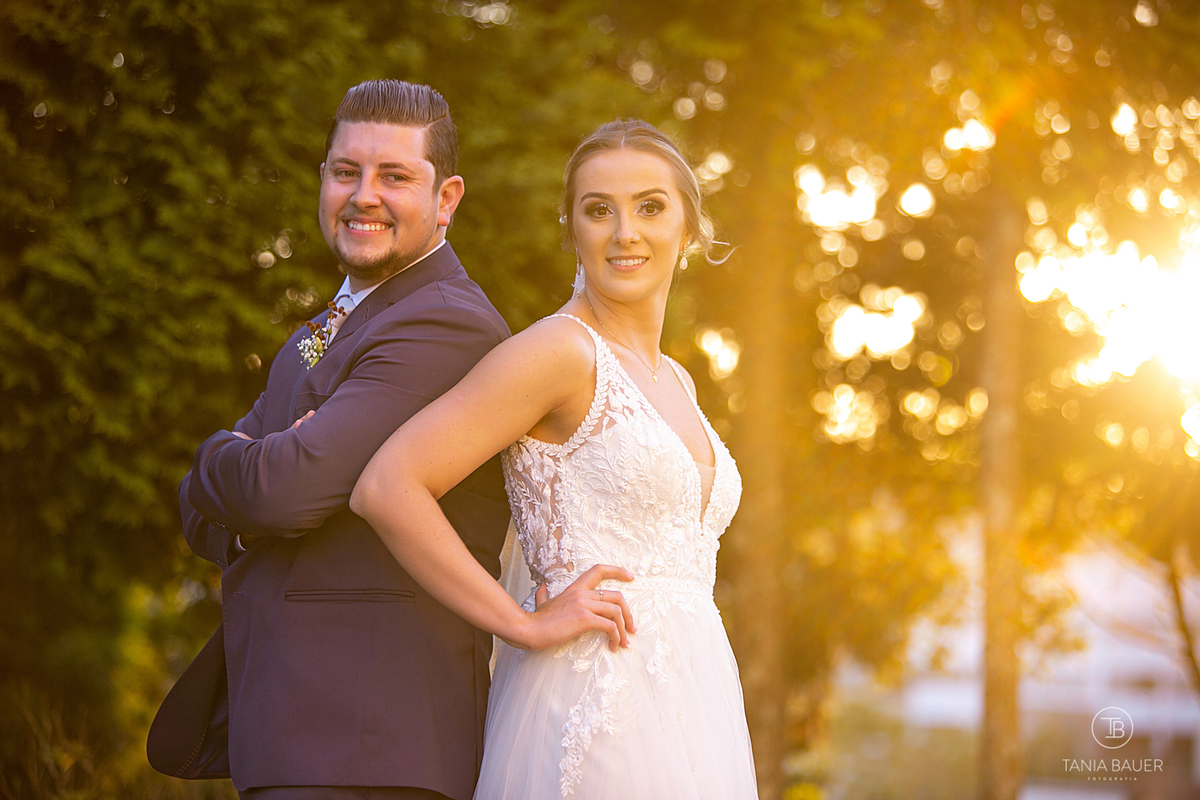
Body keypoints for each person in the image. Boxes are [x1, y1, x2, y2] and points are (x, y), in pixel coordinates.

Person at [153, 79, 628, 800]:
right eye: (347, 171)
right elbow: (201, 509)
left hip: (373, 744)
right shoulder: (318, 333)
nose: (363, 195)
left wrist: (230, 461)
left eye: (395, 176)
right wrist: (237, 472)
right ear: (324, 180)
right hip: (301, 740)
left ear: (447, 200)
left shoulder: (444, 324)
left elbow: (281, 491)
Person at [351, 118, 758, 799]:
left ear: (689, 227)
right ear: (572, 230)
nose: (625, 232)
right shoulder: (559, 353)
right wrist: (521, 623)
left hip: (695, 704)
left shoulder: (679, 382)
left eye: (650, 207)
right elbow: (388, 485)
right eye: (599, 210)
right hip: (595, 704)